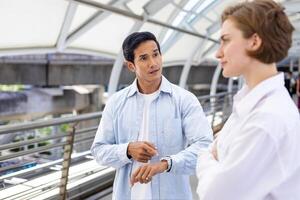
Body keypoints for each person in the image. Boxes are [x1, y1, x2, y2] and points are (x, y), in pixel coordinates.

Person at [196, 0, 300, 200]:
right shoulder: (250, 104)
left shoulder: (267, 121)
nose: (218, 53)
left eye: (226, 40)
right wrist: (214, 159)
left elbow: (215, 195)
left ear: (254, 41)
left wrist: (205, 157)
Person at [91, 31, 213, 200]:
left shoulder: (184, 100)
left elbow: (205, 146)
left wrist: (166, 164)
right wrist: (127, 150)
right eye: (144, 58)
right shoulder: (116, 103)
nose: (153, 63)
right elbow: (98, 150)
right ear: (131, 66)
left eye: (156, 55)